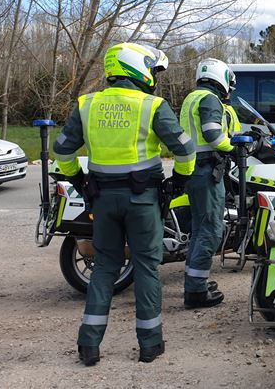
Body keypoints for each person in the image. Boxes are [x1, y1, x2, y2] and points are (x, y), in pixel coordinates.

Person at [53, 42, 196, 366]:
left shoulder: (86, 105)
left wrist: (78, 179)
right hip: (143, 200)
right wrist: (180, 181)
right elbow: (185, 150)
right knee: (146, 266)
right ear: (137, 68)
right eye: (152, 69)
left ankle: (89, 346)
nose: (154, 77)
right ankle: (150, 345)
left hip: (102, 199)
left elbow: (61, 151)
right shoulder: (152, 106)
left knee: (105, 266)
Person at [179, 58, 236, 308]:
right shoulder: (210, 99)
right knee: (211, 230)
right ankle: (196, 292)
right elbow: (213, 134)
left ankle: (194, 282)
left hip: (193, 169)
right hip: (207, 169)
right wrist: (235, 145)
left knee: (199, 228)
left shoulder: (192, 97)